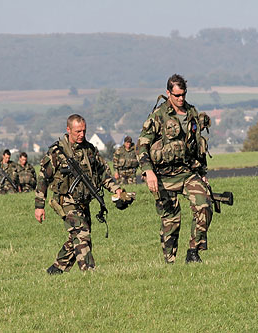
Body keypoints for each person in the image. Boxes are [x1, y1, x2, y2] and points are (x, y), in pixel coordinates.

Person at [137, 74, 213, 264]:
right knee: (171, 220)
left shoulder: (192, 113)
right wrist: (149, 172)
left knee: (204, 204)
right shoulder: (158, 116)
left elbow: (197, 147)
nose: (180, 99)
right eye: (176, 95)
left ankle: (194, 251)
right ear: (168, 93)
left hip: (187, 172)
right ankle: (169, 262)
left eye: (183, 94)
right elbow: (142, 146)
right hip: (162, 175)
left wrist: (202, 174)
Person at [35, 114, 123, 274]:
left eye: (84, 131)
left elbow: (102, 173)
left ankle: (55, 269)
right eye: (77, 131)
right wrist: (39, 206)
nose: (81, 134)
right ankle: (90, 274)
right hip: (65, 202)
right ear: (68, 130)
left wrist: (116, 189)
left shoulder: (89, 150)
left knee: (75, 237)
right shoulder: (57, 152)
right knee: (82, 235)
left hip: (84, 201)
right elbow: (43, 179)